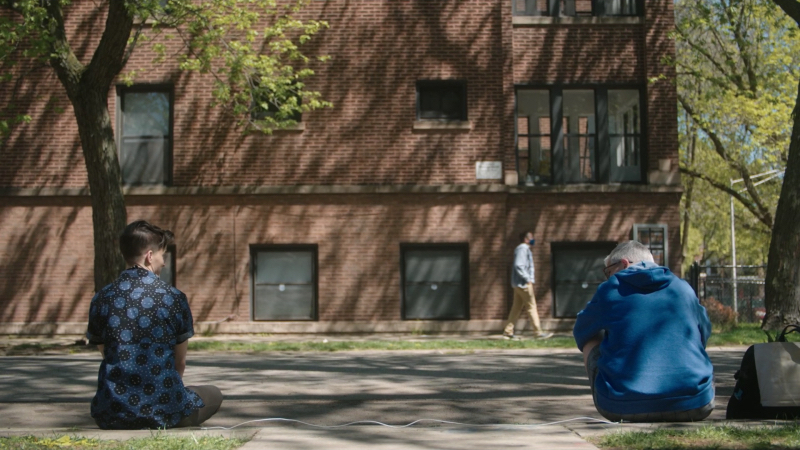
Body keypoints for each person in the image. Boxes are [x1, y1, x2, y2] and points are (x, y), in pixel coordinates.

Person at [87, 220, 222, 429]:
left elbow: (109, 355)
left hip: (112, 412)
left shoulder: (101, 298)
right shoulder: (174, 298)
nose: (164, 262)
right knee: (213, 393)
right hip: (165, 410)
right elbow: (180, 364)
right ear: (150, 256)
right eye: (162, 255)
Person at [573, 240, 714, 422]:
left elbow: (581, 330)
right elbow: (704, 331)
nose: (608, 277)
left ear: (624, 263)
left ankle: (619, 390)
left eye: (608, 272)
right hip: (697, 404)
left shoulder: (610, 289)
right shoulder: (683, 288)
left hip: (621, 407)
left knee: (591, 338)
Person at [503, 231, 553, 340]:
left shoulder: (522, 249)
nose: (533, 239)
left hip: (518, 284)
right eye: (531, 238)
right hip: (523, 284)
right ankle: (538, 333)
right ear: (526, 239)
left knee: (516, 308)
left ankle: (508, 331)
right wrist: (528, 279)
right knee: (532, 306)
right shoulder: (523, 249)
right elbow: (519, 265)